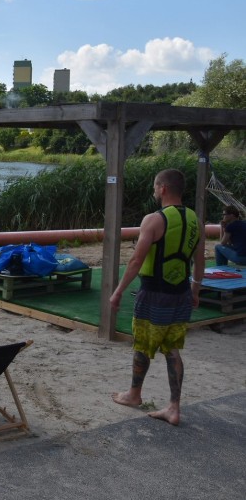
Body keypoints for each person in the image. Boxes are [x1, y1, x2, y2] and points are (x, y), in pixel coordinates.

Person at [109, 168, 204, 426]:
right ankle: (174, 407)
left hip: (154, 293)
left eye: (154, 187)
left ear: (162, 188)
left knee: (142, 344)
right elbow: (199, 260)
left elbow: (137, 260)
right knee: (171, 348)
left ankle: (134, 394)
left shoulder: (153, 220)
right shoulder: (195, 219)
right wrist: (195, 291)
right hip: (181, 293)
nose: (154, 191)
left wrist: (117, 291)